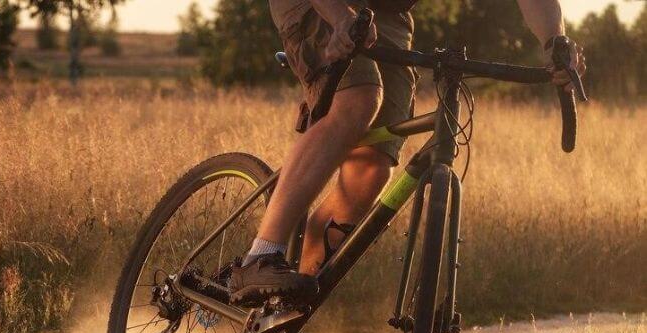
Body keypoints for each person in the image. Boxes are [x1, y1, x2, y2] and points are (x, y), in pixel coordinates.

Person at [227, 0, 586, 306]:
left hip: (386, 14)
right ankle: (261, 256)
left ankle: (285, 309)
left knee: (373, 167)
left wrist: (555, 41)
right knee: (360, 99)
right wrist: (339, 18)